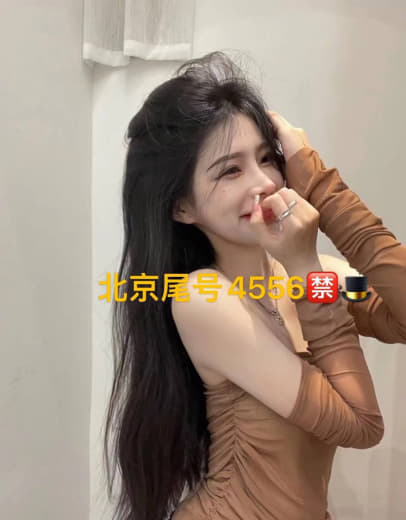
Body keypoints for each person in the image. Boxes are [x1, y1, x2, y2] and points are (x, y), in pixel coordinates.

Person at [103, 51, 406, 520]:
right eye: (231, 170)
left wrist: (320, 185)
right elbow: (361, 425)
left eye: (268, 159)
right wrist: (304, 266)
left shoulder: (317, 280)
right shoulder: (202, 297)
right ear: (183, 207)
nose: (264, 182)